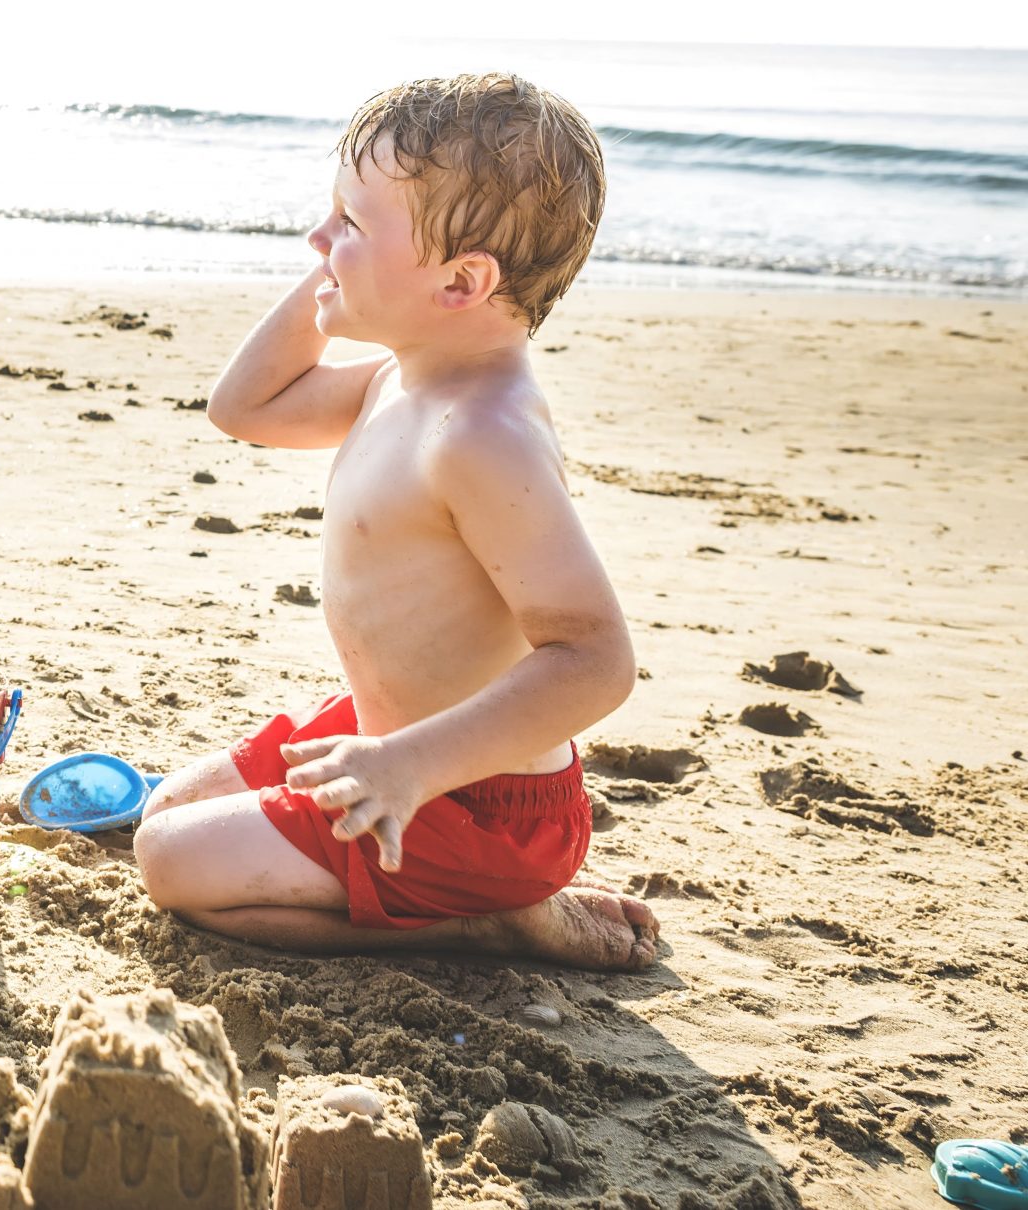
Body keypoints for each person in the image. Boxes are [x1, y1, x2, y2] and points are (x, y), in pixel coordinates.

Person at [133, 73, 660, 971]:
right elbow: (245, 407)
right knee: (163, 811)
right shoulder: (402, 376)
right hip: (394, 748)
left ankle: (489, 922)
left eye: (348, 224)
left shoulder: (481, 436)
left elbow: (596, 660)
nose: (317, 237)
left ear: (462, 280)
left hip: (475, 803)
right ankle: (472, 897)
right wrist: (344, 267)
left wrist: (408, 767)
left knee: (169, 862)